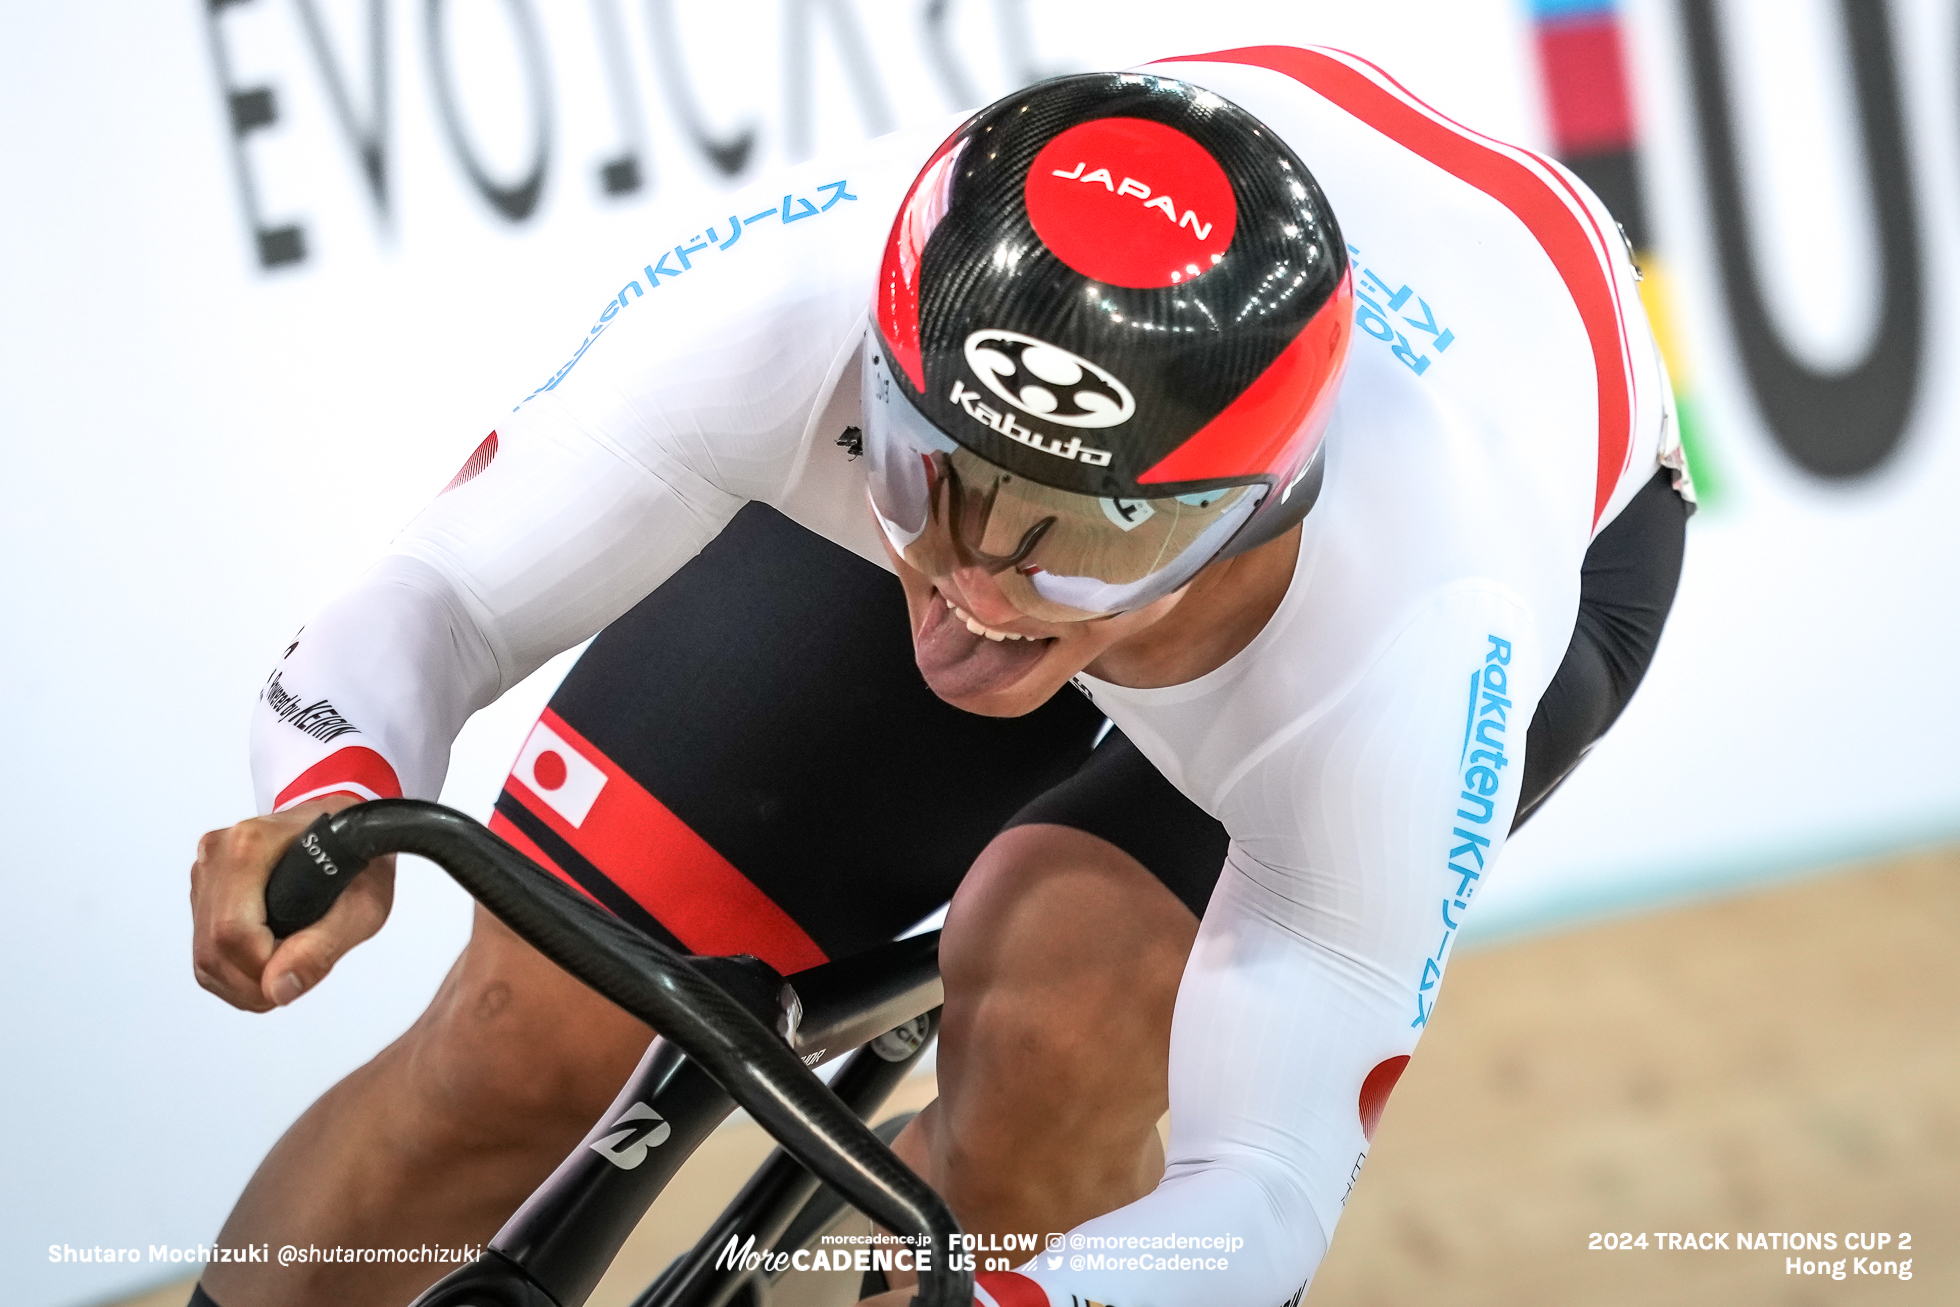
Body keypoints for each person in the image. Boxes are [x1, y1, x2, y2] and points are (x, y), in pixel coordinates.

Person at [188, 44, 1690, 1307]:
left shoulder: (1426, 607)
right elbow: (443, 583)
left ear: (1253, 510)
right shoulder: (811, 295)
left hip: (1501, 522)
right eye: (927, 480)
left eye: (1077, 542)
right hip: (1116, 437)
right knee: (517, 1034)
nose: (974, 597)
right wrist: (336, 787)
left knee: (1051, 1016)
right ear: (884, 380)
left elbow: (1271, 1184)